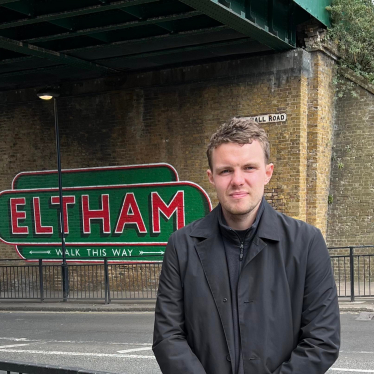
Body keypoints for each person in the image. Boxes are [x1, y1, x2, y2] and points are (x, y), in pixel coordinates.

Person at [153, 117, 340, 374]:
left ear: (268, 172)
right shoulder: (181, 246)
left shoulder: (306, 242)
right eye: (226, 170)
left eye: (249, 168)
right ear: (211, 177)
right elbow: (167, 337)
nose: (237, 180)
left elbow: (322, 341)